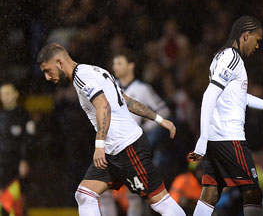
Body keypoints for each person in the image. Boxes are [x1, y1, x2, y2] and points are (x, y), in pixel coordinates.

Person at [37, 43, 186, 216]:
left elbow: (104, 106)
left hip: (128, 148)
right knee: (85, 195)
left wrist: (99, 145)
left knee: (160, 202)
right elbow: (125, 100)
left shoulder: (82, 77)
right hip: (112, 151)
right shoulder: (95, 71)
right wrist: (159, 119)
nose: (47, 77)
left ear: (59, 62)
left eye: (48, 70)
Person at [187, 16, 263, 216]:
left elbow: (240, 97)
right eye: (257, 40)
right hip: (229, 138)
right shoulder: (232, 59)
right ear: (245, 35)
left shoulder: (220, 57)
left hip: (217, 138)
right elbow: (209, 95)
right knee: (253, 192)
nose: (258, 45)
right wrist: (202, 138)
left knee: (211, 194)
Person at [102, 48, 172, 216]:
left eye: (119, 63)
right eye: (114, 63)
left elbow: (164, 111)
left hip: (131, 145)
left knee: (133, 193)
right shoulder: (110, 87)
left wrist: (146, 132)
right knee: (102, 191)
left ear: (131, 65)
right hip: (110, 145)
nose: (115, 67)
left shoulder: (142, 89)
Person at [0, 83, 35, 216]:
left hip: (18, 164)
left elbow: (29, 141)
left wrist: (25, 160)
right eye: (2, 95)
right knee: (3, 199)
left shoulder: (24, 115)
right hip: (2, 164)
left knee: (21, 199)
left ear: (16, 94)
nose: (5, 97)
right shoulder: (1, 116)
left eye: (8, 93)